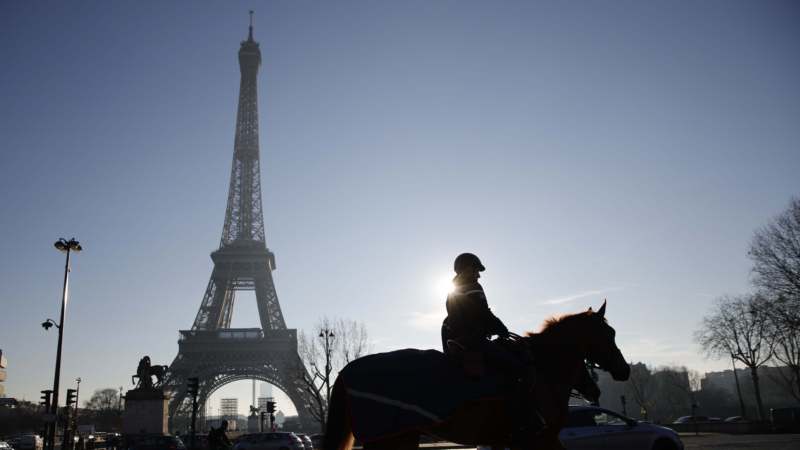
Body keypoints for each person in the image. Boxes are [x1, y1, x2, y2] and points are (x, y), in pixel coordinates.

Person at [440, 252, 545, 444]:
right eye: (476, 270)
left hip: (462, 341)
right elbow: (482, 313)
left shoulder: (452, 290)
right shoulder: (472, 287)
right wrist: (501, 328)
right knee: (518, 369)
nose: (479, 275)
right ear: (465, 269)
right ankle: (520, 423)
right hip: (475, 341)